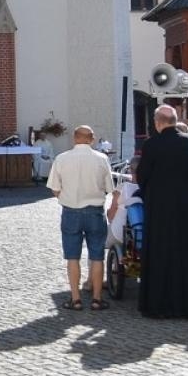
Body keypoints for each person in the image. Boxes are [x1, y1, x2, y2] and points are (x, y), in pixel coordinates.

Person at [134, 105, 188, 318]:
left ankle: (158, 304)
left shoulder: (151, 144)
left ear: (158, 122)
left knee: (160, 251)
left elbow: (143, 174)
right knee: (186, 250)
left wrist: (149, 193)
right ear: (174, 120)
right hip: (185, 202)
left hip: (160, 204)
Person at [47, 126, 116, 310]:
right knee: (97, 256)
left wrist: (66, 197)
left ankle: (76, 299)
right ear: (92, 139)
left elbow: (54, 188)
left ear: (74, 138)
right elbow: (110, 188)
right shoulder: (102, 159)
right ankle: (96, 299)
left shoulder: (62, 159)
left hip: (71, 211)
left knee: (72, 257)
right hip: (94, 211)